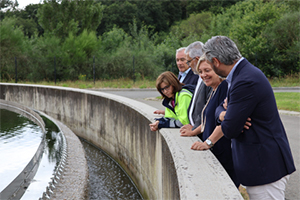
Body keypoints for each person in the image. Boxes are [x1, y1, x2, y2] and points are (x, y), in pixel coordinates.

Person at [192, 36, 296, 199]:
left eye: (209, 65)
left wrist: (229, 117)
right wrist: (225, 113)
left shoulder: (244, 80)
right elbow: (221, 109)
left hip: (265, 167)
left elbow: (230, 129)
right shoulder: (241, 75)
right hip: (262, 165)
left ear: (216, 61)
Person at [181, 55, 239, 187]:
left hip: (225, 155)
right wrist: (193, 132)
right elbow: (208, 119)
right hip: (216, 153)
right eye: (200, 72)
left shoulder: (224, 87)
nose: (203, 75)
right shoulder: (214, 89)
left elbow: (226, 121)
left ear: (217, 69)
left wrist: (208, 142)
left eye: (207, 70)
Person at [180, 41, 212, 140]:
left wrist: (194, 128)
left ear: (197, 59)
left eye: (188, 61)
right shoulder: (198, 76)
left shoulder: (208, 79)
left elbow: (207, 107)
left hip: (203, 133)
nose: (188, 65)